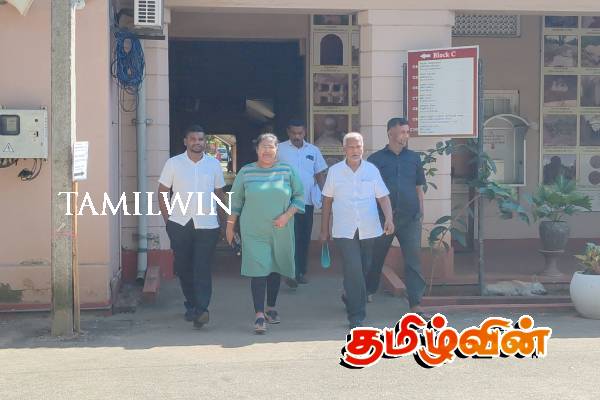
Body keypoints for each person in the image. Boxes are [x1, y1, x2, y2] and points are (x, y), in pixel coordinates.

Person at [226, 133, 305, 334]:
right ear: (257, 149)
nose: (267, 150)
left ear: (277, 149)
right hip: (254, 231)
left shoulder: (287, 171)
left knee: (275, 267)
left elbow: (299, 197)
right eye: (264, 146)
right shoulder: (246, 172)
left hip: (280, 229)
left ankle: (271, 307)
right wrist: (229, 226)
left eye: (271, 147)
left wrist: (287, 216)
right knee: (258, 270)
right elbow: (236, 201)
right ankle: (259, 314)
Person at [320, 132, 394, 329]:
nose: (355, 150)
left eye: (358, 146)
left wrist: (389, 218)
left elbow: (383, 197)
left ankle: (349, 295)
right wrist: (324, 229)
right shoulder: (335, 171)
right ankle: (356, 315)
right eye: (351, 147)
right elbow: (327, 200)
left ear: (363, 148)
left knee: (364, 269)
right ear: (344, 149)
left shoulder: (371, 170)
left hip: (369, 228)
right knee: (353, 270)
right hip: (344, 229)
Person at [157, 125, 226, 329]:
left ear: (205, 142)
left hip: (208, 224)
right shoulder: (173, 163)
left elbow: (219, 195)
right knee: (184, 268)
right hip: (180, 223)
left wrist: (225, 224)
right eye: (193, 139)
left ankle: (202, 309)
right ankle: (192, 305)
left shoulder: (213, 164)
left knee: (202, 267)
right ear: (186, 141)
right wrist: (168, 221)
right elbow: (162, 192)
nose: (197, 142)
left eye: (201, 139)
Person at [366, 117, 430, 319]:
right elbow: (369, 190)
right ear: (390, 133)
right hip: (382, 218)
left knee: (413, 260)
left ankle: (415, 303)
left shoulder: (414, 158)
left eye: (407, 132)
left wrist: (421, 212)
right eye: (402, 132)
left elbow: (419, 187)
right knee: (375, 258)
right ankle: (367, 290)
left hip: (410, 218)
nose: (406, 135)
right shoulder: (375, 159)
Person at [277, 119, 328, 287]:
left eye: (300, 133)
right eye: (294, 133)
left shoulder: (313, 150)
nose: (297, 136)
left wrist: (325, 196)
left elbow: (319, 174)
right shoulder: (279, 149)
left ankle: (300, 272)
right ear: (288, 132)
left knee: (303, 238)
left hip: (307, 202)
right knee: (290, 238)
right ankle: (290, 272)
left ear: (305, 132)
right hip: (286, 203)